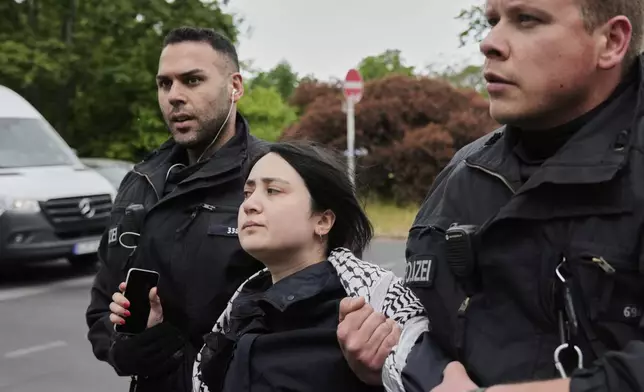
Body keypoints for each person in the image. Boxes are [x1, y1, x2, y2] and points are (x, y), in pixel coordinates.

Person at [340, 0, 644, 391]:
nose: (489, 43)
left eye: (527, 20)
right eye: (492, 21)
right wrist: (387, 359)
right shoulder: (465, 170)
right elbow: (419, 327)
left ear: (612, 41)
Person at [161, 141, 427, 392]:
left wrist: (380, 374)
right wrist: (150, 335)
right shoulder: (239, 312)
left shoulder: (369, 315)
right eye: (247, 192)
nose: (249, 205)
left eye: (273, 190)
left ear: (323, 221)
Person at [85, 26, 266, 392]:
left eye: (192, 80)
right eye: (165, 84)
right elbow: (102, 314)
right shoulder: (141, 181)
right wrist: (139, 340)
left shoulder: (271, 179)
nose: (175, 96)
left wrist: (188, 361)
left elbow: (307, 315)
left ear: (235, 87)